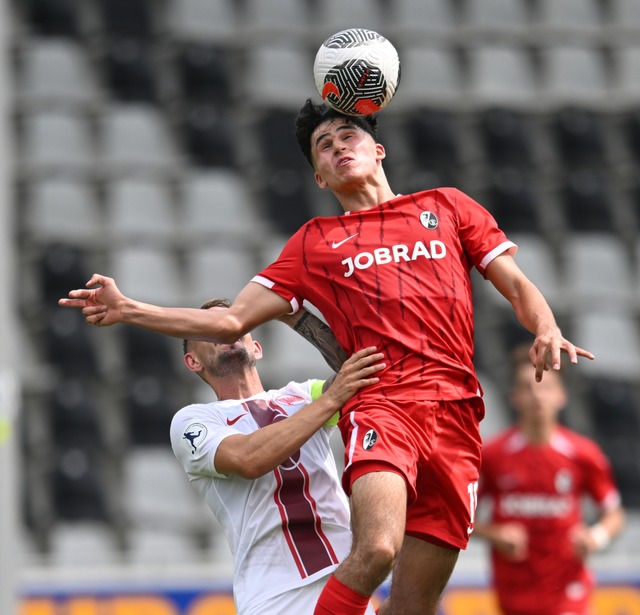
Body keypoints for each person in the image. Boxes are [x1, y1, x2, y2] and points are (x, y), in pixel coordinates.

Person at [59, 99, 594, 615]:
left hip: (457, 414)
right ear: (319, 177)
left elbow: (518, 286)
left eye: (348, 135)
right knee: (378, 549)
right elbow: (230, 321)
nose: (338, 147)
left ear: (377, 150)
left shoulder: (448, 206)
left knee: (415, 603)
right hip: (384, 403)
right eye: (323, 145)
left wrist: (547, 327)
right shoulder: (315, 242)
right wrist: (129, 308)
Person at [173, 298, 383, 614]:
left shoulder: (301, 395)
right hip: (275, 596)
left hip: (345, 579)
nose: (225, 331)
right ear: (193, 362)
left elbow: (357, 370)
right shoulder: (194, 420)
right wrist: (331, 400)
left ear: (256, 347)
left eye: (233, 323)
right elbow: (249, 459)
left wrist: (295, 317)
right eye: (210, 329)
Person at [473, 345, 625, 615]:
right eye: (526, 387)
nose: (536, 395)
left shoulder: (582, 453)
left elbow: (614, 513)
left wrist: (595, 537)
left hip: (568, 591)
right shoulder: (493, 456)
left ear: (561, 395)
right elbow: (463, 517)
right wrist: (495, 534)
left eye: (545, 386)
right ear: (514, 396)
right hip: (514, 591)